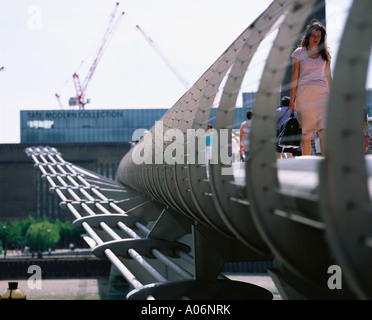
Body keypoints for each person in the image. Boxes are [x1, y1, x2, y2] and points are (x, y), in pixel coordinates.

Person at [289, 20, 332, 156]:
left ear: (322, 37)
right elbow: (294, 77)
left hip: (322, 95)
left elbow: (328, 77)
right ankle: (307, 163)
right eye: (313, 35)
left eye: (318, 36)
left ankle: (326, 163)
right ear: (308, 36)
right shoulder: (299, 53)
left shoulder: (326, 54)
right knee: (306, 133)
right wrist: (292, 100)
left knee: (324, 131)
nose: (315, 38)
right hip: (304, 95)